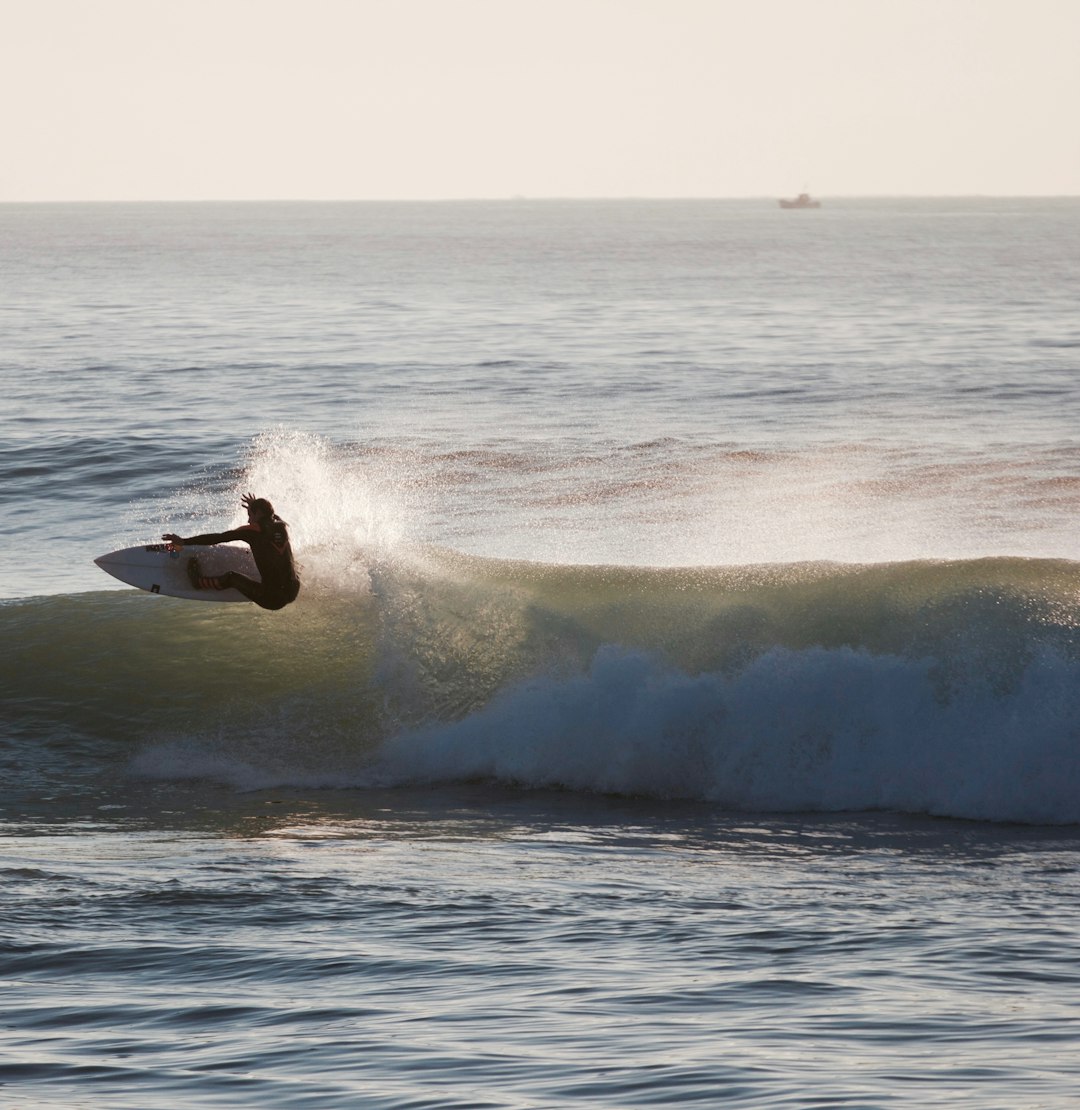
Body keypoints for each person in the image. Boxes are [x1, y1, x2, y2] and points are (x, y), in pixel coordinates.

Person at [162, 493, 301, 611]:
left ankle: (198, 582)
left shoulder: (252, 531)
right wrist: (256, 506)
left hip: (272, 600)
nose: (249, 519)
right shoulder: (282, 526)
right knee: (285, 559)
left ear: (258, 513)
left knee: (232, 578)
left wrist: (184, 541)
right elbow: (271, 516)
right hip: (293, 591)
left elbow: (218, 538)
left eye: (250, 514)